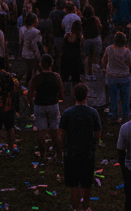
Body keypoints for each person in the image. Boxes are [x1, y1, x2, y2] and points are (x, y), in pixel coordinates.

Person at [59, 83, 103, 211]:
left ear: (74, 95)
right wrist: (94, 144)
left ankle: (76, 208)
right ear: (87, 95)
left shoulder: (67, 113)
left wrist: (62, 148)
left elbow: (61, 134)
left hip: (71, 153)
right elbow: (98, 133)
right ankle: (86, 207)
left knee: (74, 184)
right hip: (87, 153)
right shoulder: (93, 113)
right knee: (86, 183)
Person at [28, 54, 64, 163]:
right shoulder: (56, 77)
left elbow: (29, 93)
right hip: (53, 105)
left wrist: (31, 104)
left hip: (39, 105)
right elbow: (62, 95)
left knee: (41, 132)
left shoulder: (36, 78)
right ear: (51, 64)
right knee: (55, 132)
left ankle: (43, 156)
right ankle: (59, 156)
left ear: (41, 64)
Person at [0, 55, 20, 156]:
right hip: (9, 106)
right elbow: (15, 91)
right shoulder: (11, 77)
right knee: (10, 128)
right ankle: (11, 150)